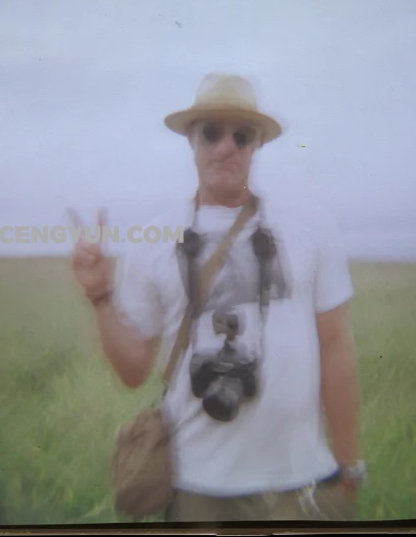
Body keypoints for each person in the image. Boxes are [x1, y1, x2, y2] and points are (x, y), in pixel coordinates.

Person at [69, 73, 365, 522]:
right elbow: (133, 371)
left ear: (257, 145)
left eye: (241, 135)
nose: (226, 146)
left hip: (303, 484)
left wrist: (348, 466)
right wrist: (99, 295)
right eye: (211, 132)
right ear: (191, 139)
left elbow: (336, 346)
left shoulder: (311, 226)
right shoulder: (153, 241)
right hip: (196, 488)